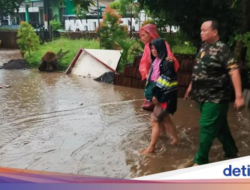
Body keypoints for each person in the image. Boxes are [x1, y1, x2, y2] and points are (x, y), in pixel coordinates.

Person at [184, 20, 245, 165]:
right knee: (220, 127)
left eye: (204, 30)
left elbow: (234, 71)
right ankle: (231, 152)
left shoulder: (222, 49)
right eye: (200, 30)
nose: (201, 33)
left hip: (216, 97)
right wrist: (191, 85)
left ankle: (200, 162)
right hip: (202, 97)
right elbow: (200, 68)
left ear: (214, 32)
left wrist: (239, 96)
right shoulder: (204, 47)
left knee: (206, 126)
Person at [141, 38, 179, 154]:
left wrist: (156, 96)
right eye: (152, 48)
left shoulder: (167, 62)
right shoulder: (156, 61)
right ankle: (176, 139)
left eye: (156, 48)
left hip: (163, 96)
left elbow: (165, 81)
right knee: (166, 118)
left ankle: (151, 148)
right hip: (161, 95)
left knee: (155, 120)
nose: (153, 50)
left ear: (161, 48)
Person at [139, 24, 179, 111]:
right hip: (152, 78)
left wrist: (171, 60)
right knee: (158, 115)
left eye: (144, 35)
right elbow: (144, 63)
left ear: (150, 34)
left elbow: (169, 58)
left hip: (161, 79)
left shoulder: (162, 44)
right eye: (141, 35)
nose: (141, 38)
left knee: (158, 114)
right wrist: (147, 75)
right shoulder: (147, 46)